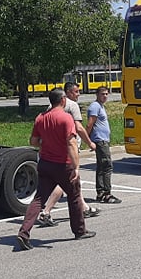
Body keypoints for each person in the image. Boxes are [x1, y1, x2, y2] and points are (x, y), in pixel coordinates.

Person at [16, 88, 96, 250]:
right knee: (74, 197)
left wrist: (45, 143)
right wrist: (76, 167)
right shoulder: (66, 118)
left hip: (45, 163)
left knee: (39, 199)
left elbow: (33, 141)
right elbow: (71, 143)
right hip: (63, 164)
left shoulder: (41, 118)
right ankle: (80, 230)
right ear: (63, 100)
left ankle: (24, 232)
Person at [37, 82, 101, 226]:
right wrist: (90, 142)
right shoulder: (72, 106)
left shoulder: (50, 108)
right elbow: (78, 127)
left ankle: (83, 208)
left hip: (49, 152)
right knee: (67, 180)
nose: (78, 94)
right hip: (66, 152)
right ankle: (46, 212)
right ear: (66, 95)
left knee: (74, 181)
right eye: (76, 92)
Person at [86, 86, 121, 203]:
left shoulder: (100, 106)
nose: (105, 96)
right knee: (107, 166)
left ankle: (100, 192)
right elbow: (89, 124)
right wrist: (88, 140)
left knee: (101, 167)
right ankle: (106, 193)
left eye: (106, 94)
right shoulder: (95, 106)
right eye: (102, 94)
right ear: (97, 94)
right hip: (100, 141)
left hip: (103, 140)